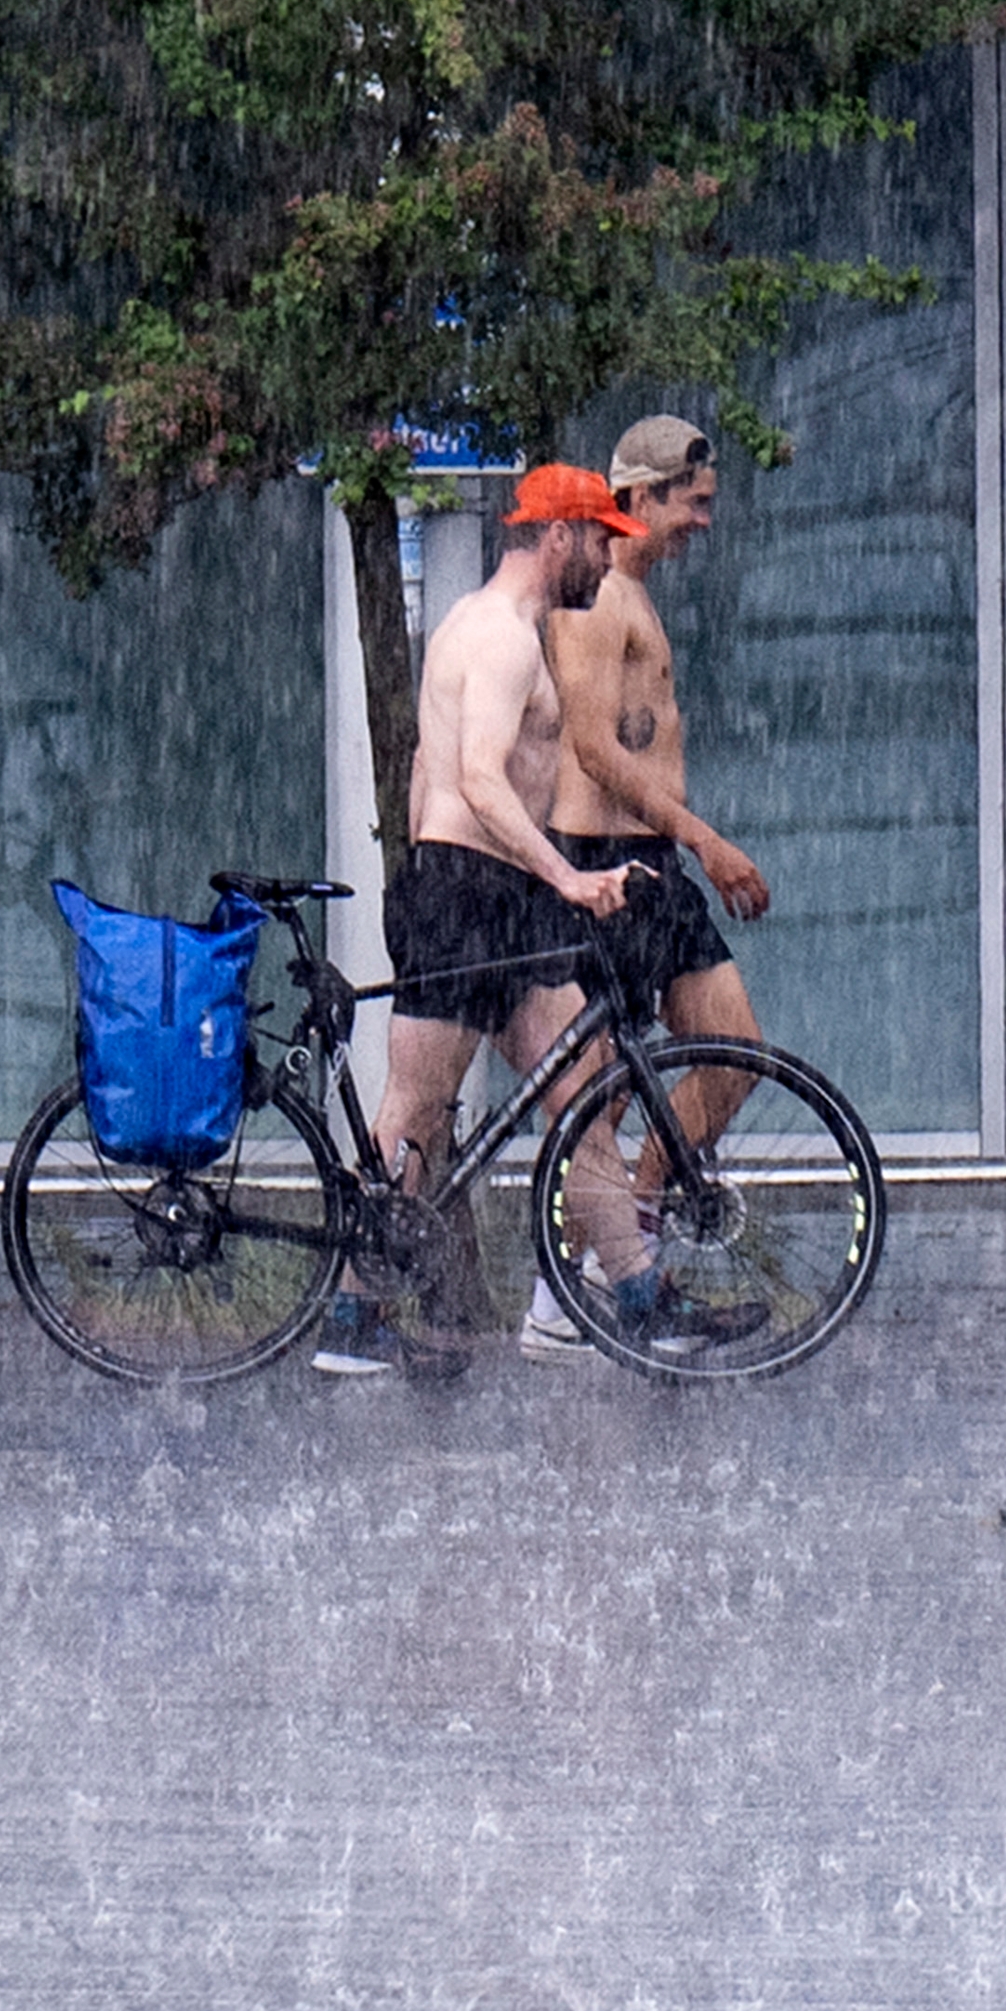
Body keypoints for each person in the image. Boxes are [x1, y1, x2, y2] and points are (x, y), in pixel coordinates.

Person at [315, 464, 698, 1375]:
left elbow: (422, 774)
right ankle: (351, 1314)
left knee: (582, 1095)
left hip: (488, 897)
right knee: (414, 1107)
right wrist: (562, 876)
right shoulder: (497, 638)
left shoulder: (491, 630)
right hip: (467, 895)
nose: (611, 553)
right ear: (556, 535)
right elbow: (480, 778)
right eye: (600, 537)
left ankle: (639, 1298)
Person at [523, 414, 773, 1363]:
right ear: (640, 499)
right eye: (694, 504)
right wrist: (706, 838)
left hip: (654, 869)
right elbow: (592, 746)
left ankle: (622, 1252)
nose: (705, 522)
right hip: (607, 866)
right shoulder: (596, 601)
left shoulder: (635, 595)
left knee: (735, 1053)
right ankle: (580, 1295)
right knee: (603, 1100)